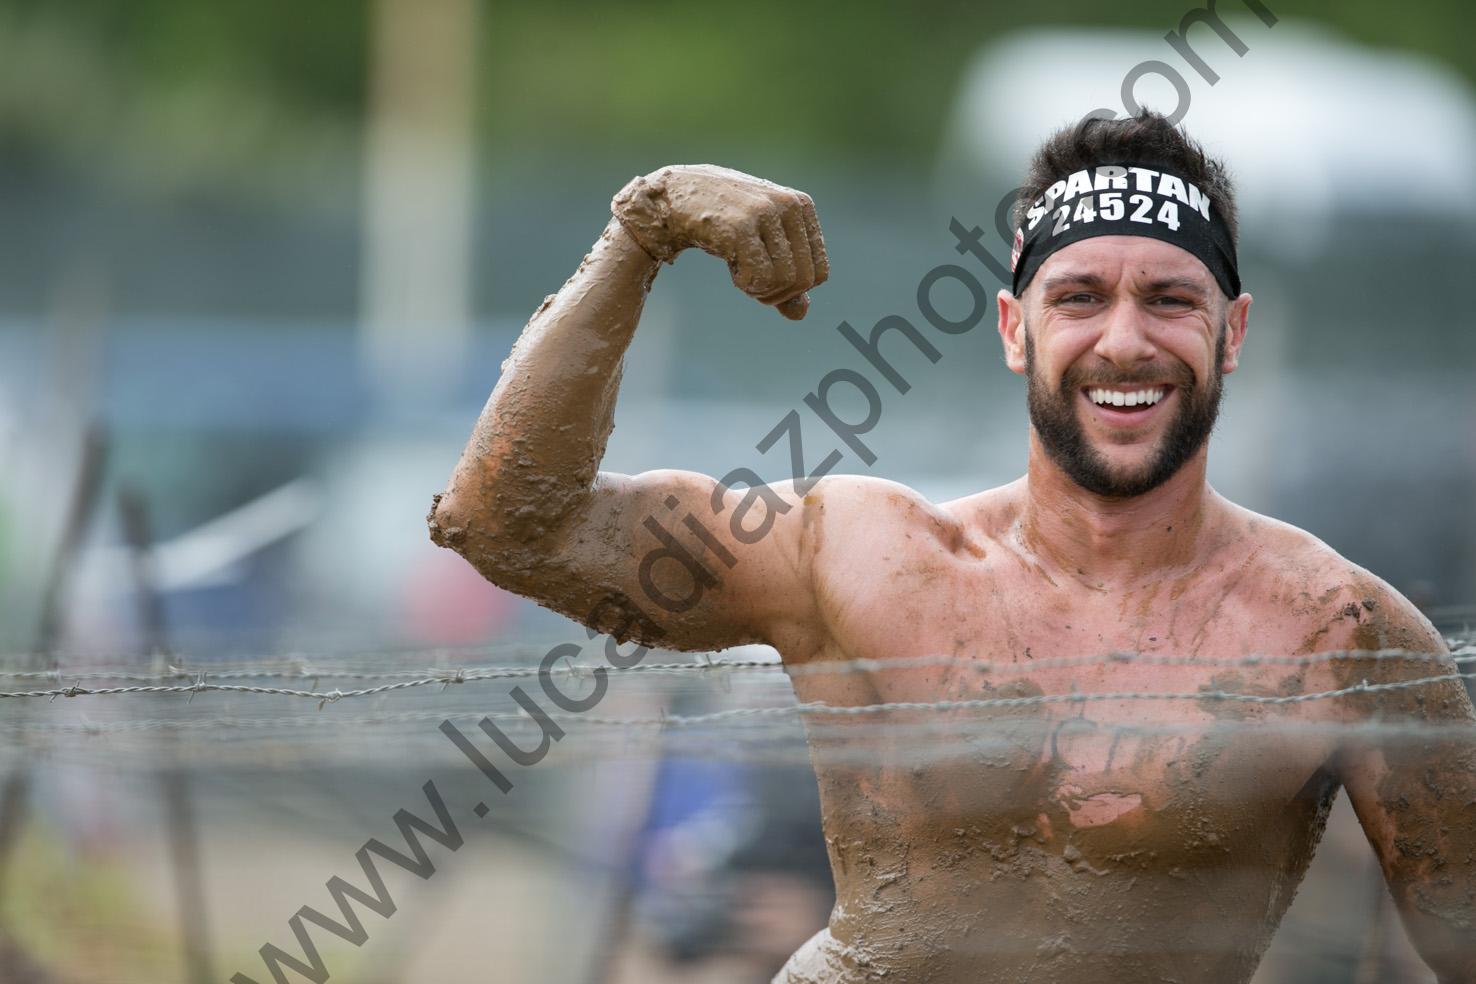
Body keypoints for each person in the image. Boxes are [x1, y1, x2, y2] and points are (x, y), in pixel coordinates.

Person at [428, 111, 1476, 982]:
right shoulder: (859, 553)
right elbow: (513, 522)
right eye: (1079, 297)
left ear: (1231, 333)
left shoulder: (1340, 631)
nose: (1122, 340)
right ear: (1015, 328)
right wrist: (640, 232)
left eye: (1169, 298)